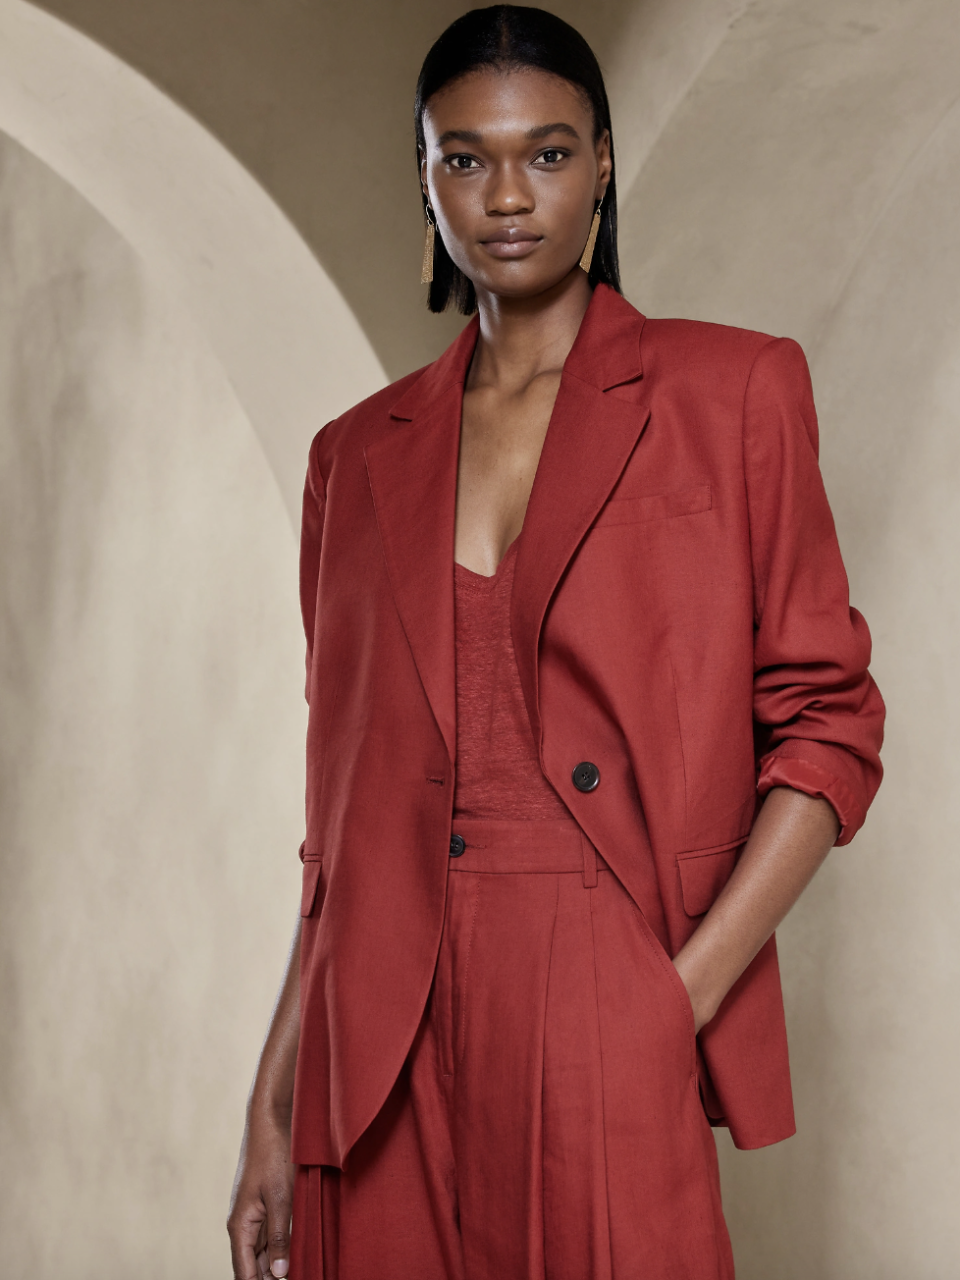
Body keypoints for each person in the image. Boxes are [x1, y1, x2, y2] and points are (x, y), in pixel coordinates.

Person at [227, 7, 885, 1278]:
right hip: (377, 1030)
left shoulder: (731, 392)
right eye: (464, 158)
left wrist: (673, 996)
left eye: (549, 152)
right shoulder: (353, 455)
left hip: (605, 979)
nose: (507, 194)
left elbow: (830, 727)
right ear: (424, 182)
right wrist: (272, 1097)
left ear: (602, 167)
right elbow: (341, 830)